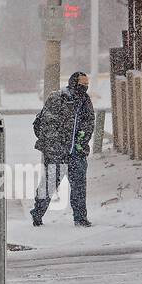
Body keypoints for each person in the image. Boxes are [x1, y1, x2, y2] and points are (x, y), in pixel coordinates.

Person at [31, 71, 94, 227]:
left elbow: (89, 122)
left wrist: (83, 139)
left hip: (77, 153)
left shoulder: (85, 101)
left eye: (87, 85)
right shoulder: (57, 98)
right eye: (82, 84)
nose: (85, 87)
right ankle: (37, 213)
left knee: (79, 187)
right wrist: (56, 146)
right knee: (49, 184)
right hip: (57, 152)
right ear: (73, 83)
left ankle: (80, 218)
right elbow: (47, 123)